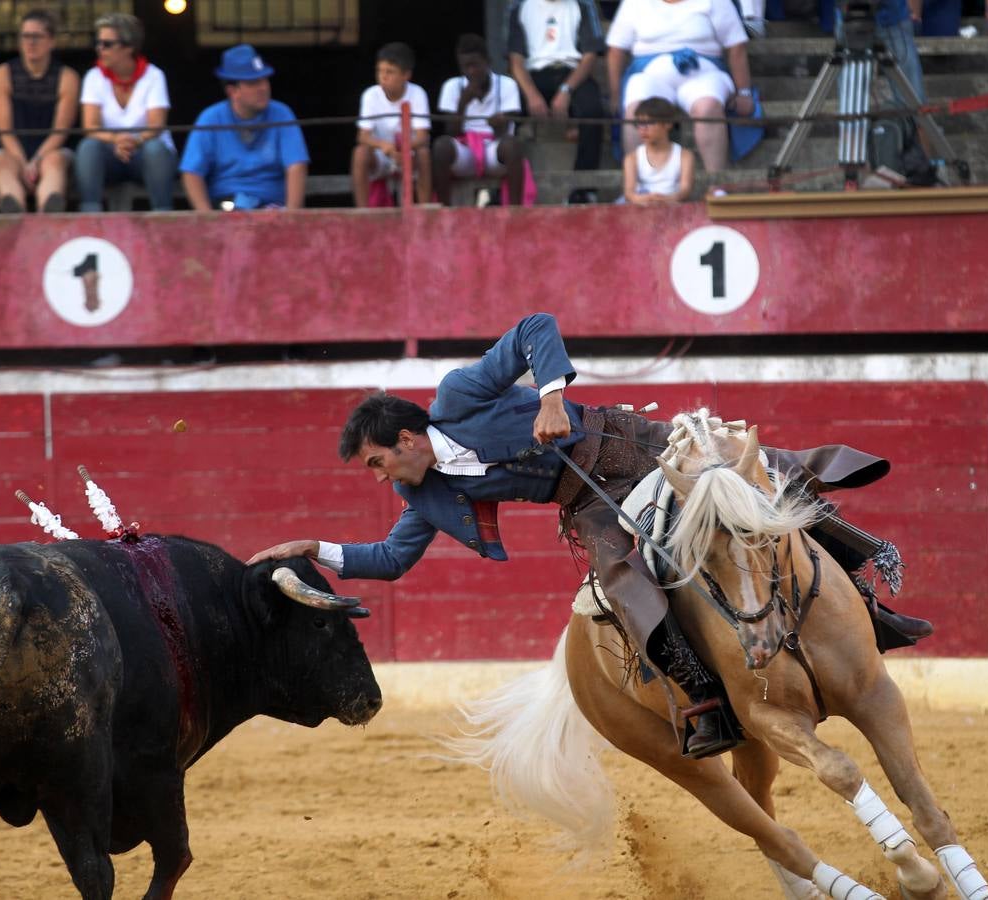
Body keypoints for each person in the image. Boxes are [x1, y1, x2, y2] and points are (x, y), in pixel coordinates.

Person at [247, 313, 934, 758]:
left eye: (377, 462)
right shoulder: (421, 490)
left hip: (631, 447)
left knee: (766, 479)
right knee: (623, 584)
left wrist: (550, 396)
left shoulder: (458, 395)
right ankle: (703, 700)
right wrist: (319, 550)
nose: (378, 477)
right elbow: (394, 559)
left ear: (403, 438)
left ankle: (869, 602)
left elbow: (532, 329)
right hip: (591, 505)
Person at [606, 0, 756, 174]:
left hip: (704, 73)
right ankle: (637, 186)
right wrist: (616, 95)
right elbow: (615, 50)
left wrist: (744, 92)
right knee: (637, 110)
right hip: (650, 75)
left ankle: (716, 184)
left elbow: (736, 46)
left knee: (708, 108)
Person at [179, 44, 309, 211]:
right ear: (233, 91)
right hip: (225, 209)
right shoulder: (210, 118)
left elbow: (297, 165)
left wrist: (292, 218)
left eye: (265, 79)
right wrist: (207, 219)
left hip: (274, 210)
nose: (263, 87)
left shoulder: (282, 114)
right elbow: (191, 173)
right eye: (253, 82)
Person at [75, 12, 177, 212]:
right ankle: (89, 216)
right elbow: (90, 128)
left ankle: (164, 215)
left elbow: (156, 127)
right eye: (98, 43)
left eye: (107, 44)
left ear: (129, 47)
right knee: (88, 147)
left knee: (155, 149)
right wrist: (116, 140)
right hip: (111, 154)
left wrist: (134, 141)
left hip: (145, 154)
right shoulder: (93, 77)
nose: (99, 49)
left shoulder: (154, 76)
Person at [0, 8, 79, 214]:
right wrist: (22, 162)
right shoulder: (2, 74)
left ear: (52, 41)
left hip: (51, 149)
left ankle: (48, 210)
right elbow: (4, 131)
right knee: (1, 162)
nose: (30, 42)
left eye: (37, 36)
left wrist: (36, 161)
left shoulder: (67, 77)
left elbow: (60, 132)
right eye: (25, 36)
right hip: (12, 150)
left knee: (54, 162)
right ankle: (13, 210)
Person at [506, 0, 608, 173]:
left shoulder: (584, 4)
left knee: (593, 111)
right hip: (533, 76)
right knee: (507, 109)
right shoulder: (518, 6)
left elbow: (589, 56)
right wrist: (531, 95)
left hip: (573, 74)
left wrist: (566, 90)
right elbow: (515, 61)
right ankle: (502, 183)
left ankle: (583, 187)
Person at [432, 34, 527, 207]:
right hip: (466, 152)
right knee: (441, 146)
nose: (471, 71)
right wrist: (463, 103)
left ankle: (516, 211)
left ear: (488, 62)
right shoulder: (452, 86)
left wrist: (499, 124)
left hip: (494, 150)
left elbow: (506, 132)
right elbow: (451, 132)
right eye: (465, 67)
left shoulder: (506, 84)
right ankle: (444, 210)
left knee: (512, 145)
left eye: (475, 65)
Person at [351, 42, 433, 207]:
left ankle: (425, 210)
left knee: (424, 154)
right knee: (360, 153)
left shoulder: (417, 93)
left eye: (390, 72)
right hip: (382, 154)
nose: (383, 77)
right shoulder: (370, 95)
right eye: (379, 71)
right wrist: (384, 146)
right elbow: (363, 136)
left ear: (406, 75)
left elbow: (423, 137)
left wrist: (403, 148)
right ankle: (362, 213)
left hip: (409, 154)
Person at [622, 97, 695, 203]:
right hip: (642, 208)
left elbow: (686, 189)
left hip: (674, 207)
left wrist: (669, 199)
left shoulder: (684, 156)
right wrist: (645, 199)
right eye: (640, 123)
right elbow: (629, 193)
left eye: (650, 122)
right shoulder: (632, 158)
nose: (643, 128)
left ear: (668, 124)